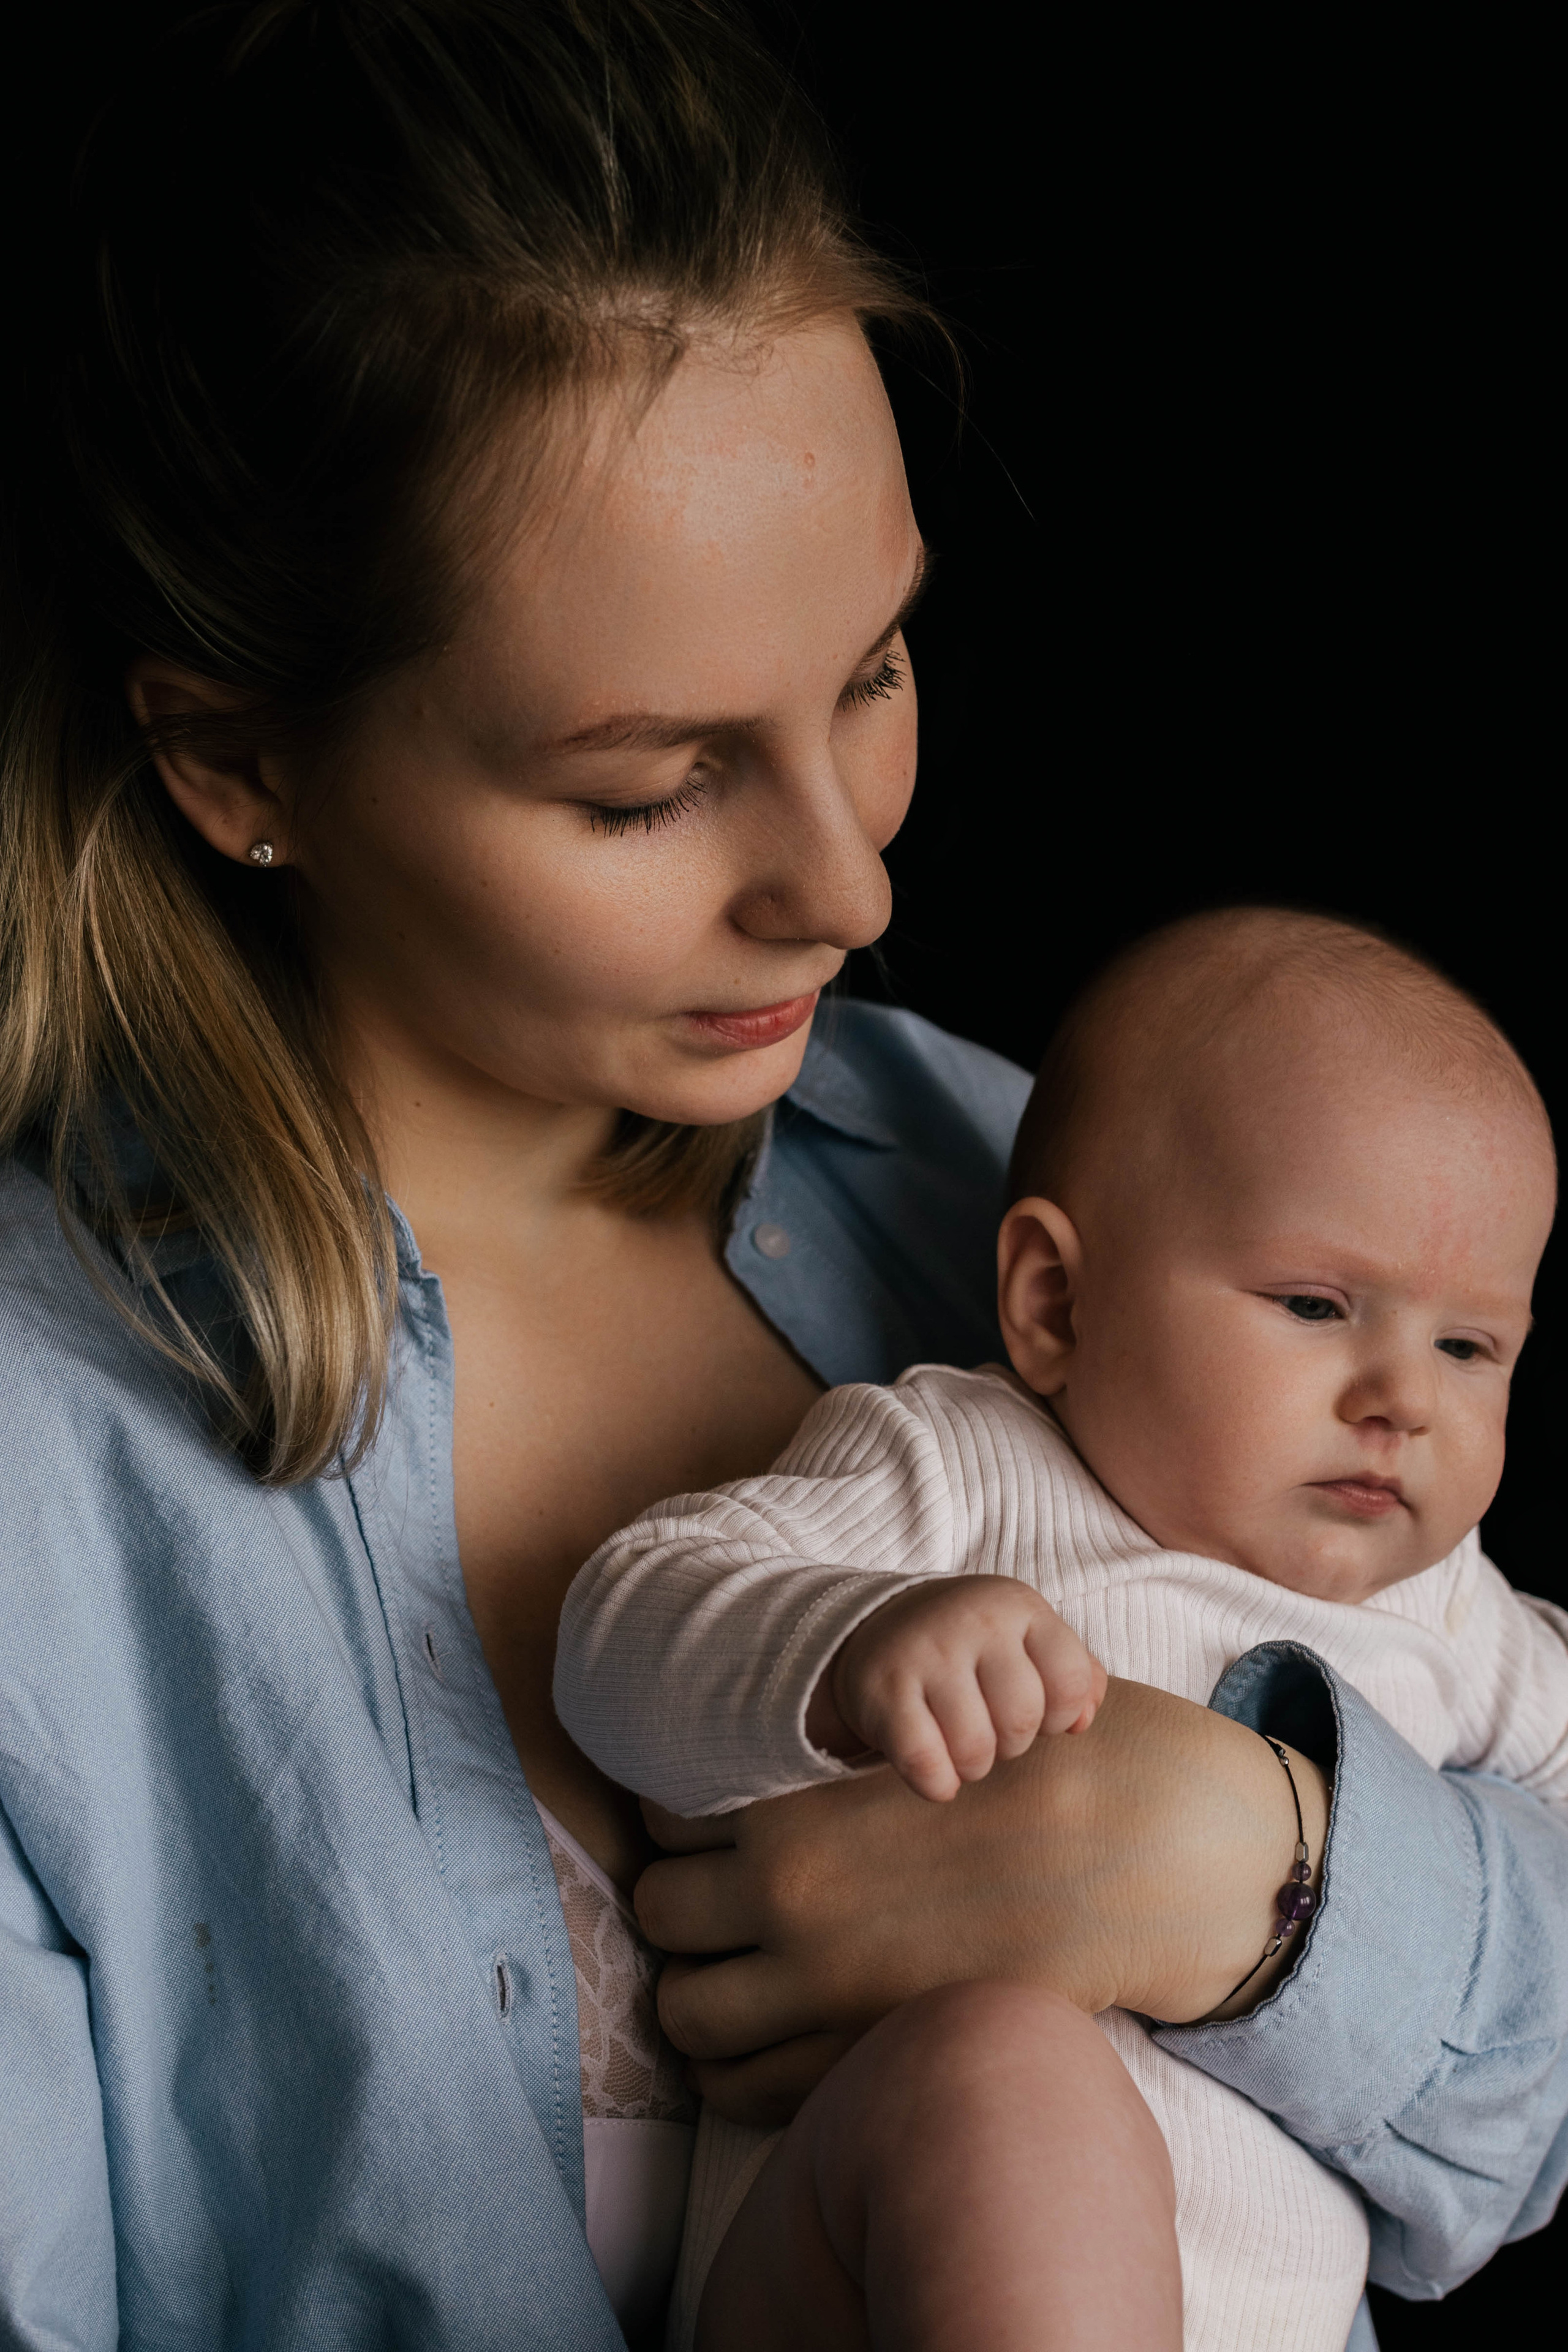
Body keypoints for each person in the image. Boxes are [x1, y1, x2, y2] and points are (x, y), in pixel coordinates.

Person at [0, 5, 1564, 2348]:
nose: (848, 891)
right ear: (241, 764)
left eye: (873, 670)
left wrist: (1255, 1877)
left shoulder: (1016, 1177)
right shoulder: (48, 1483)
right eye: (645, 787)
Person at [560, 907, 1568, 2348]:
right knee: (1001, 2065)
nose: (1400, 1398)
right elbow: (621, 1625)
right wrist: (849, 1643)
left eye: (1468, 1346)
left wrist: (1272, 1873)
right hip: (859, 2289)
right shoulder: (954, 1471)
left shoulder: (1449, 1606)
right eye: (1313, 1304)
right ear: (1053, 1300)